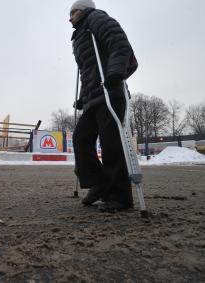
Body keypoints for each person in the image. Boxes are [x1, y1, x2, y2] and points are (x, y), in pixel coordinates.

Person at [69, 0, 138, 211]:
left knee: (111, 143)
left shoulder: (96, 19)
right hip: (93, 96)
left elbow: (119, 43)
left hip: (110, 91)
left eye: (73, 12)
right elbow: (87, 73)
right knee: (80, 138)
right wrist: (82, 97)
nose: (69, 17)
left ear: (84, 9)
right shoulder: (79, 36)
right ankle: (99, 183)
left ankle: (120, 197)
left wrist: (115, 73)